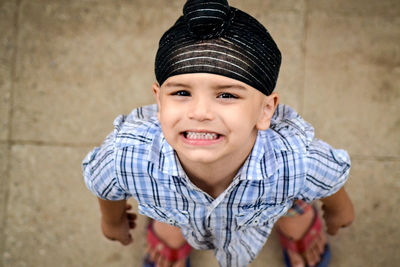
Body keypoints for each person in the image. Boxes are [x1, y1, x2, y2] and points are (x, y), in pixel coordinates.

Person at [82, 1, 354, 266]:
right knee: (168, 207)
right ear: (160, 101)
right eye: (181, 93)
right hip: (171, 201)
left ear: (265, 110)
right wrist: (112, 219)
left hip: (277, 195)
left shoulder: (295, 160)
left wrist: (338, 208)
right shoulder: (128, 156)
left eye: (226, 94)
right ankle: (171, 223)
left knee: (291, 197)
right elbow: (104, 183)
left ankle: (294, 216)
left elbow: (329, 178)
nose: (200, 112)